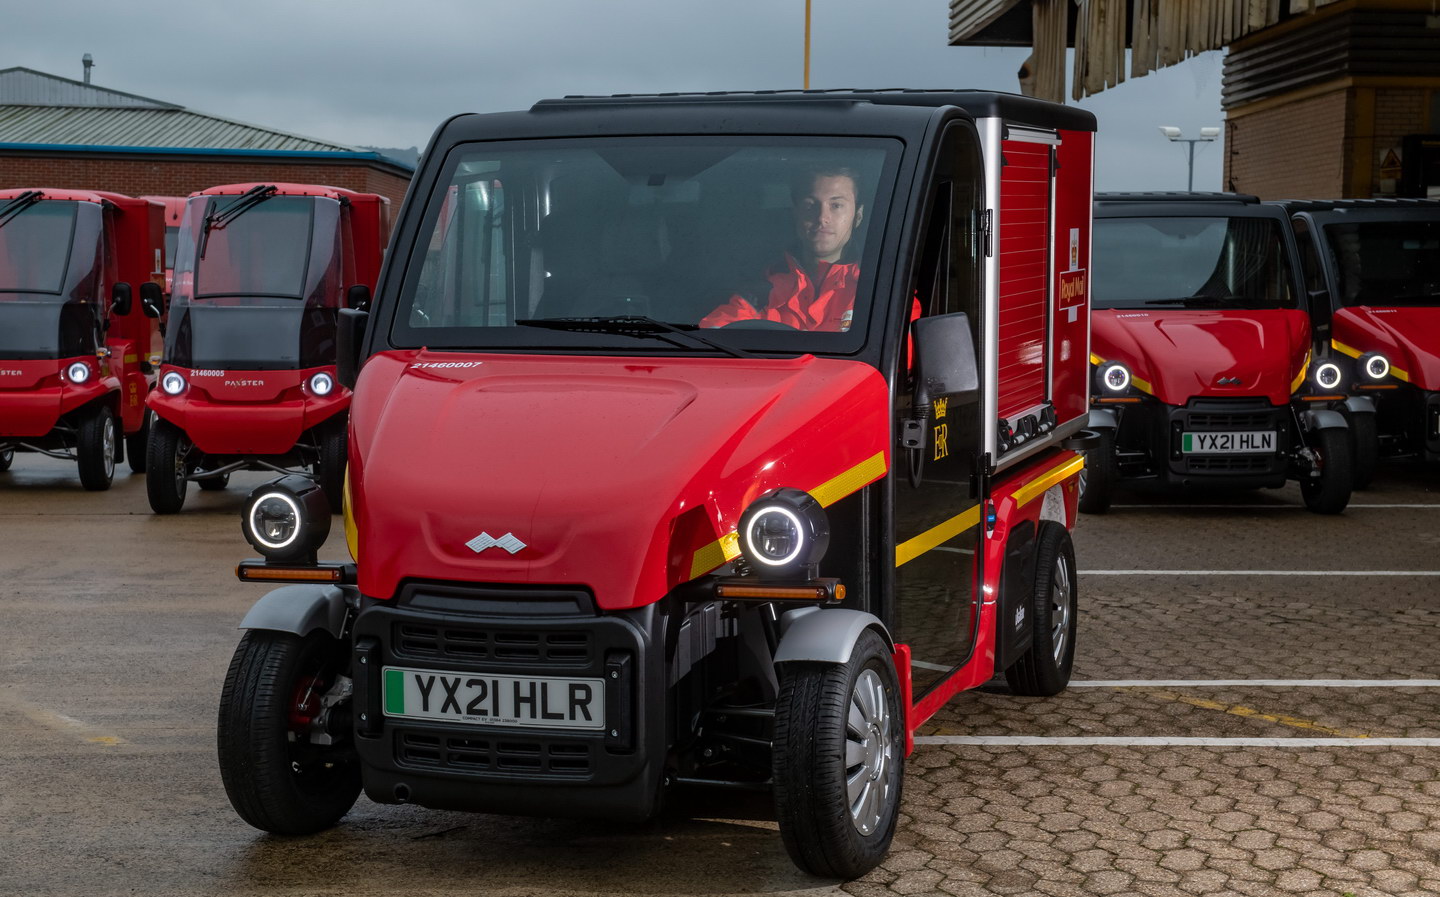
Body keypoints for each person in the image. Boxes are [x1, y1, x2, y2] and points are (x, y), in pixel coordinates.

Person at [700, 166, 865, 331]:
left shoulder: (873, 290)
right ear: (796, 213)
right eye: (810, 205)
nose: (822, 218)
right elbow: (710, 339)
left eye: (836, 205)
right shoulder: (763, 289)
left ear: (857, 215)